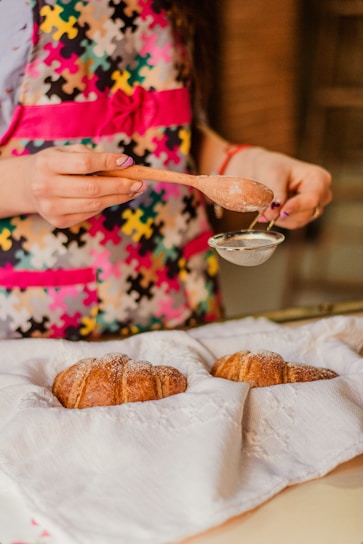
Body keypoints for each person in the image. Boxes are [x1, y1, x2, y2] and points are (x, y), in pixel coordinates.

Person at [0, 0, 332, 340]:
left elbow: (174, 136)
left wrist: (246, 161)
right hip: (43, 327)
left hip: (180, 308)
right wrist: (20, 184)